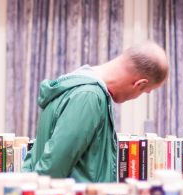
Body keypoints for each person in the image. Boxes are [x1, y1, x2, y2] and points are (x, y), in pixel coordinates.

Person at [22, 41, 168, 182]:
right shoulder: (89, 96)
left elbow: (34, 159)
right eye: (145, 92)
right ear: (140, 84)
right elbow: (52, 169)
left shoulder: (75, 88)